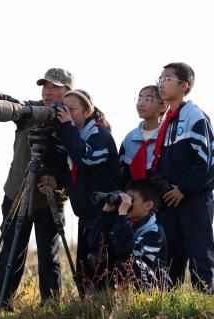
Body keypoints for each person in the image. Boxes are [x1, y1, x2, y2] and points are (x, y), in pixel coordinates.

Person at [0, 68, 72, 311]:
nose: (48, 92)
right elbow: (7, 103)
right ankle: (2, 304)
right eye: (45, 87)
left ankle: (50, 307)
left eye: (55, 88)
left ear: (68, 91)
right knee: (12, 249)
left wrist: (57, 180)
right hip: (17, 193)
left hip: (50, 196)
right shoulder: (29, 111)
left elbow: (76, 161)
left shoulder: (72, 121)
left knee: (48, 255)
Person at [152, 62, 214, 293]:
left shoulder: (194, 116)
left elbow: (207, 162)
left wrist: (183, 189)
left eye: (167, 79)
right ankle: (171, 309)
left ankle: (205, 310)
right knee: (170, 256)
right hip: (170, 199)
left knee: (200, 255)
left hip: (194, 198)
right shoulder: (167, 120)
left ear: (184, 85)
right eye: (160, 78)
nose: (161, 83)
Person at [56, 89, 121, 295]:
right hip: (86, 216)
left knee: (101, 274)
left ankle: (103, 316)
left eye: (72, 109)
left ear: (88, 112)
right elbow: (72, 173)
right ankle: (86, 316)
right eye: (64, 109)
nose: (66, 114)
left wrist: (66, 126)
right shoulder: (72, 135)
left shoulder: (99, 135)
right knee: (84, 275)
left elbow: (84, 158)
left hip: (104, 216)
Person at [88, 179, 170, 290]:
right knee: (96, 257)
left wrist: (122, 214)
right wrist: (105, 212)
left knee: (126, 263)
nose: (126, 204)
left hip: (157, 288)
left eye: (131, 200)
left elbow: (125, 251)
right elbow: (94, 243)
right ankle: (107, 296)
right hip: (129, 283)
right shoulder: (125, 224)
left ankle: (137, 301)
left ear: (148, 205)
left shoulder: (155, 233)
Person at [119, 85, 168, 185]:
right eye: (139, 98)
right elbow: (121, 172)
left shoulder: (167, 137)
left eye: (148, 99)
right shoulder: (130, 138)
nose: (140, 104)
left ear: (163, 106)